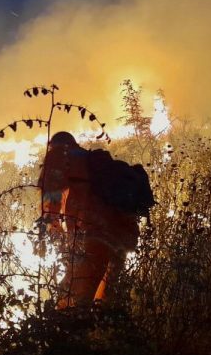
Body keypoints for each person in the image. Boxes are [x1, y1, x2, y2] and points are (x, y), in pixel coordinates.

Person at [39, 132, 142, 308]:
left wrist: (50, 227)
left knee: (77, 293)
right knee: (108, 295)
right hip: (121, 234)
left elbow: (51, 197)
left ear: (53, 146)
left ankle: (68, 321)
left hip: (92, 233)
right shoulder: (92, 160)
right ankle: (107, 322)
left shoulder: (59, 155)